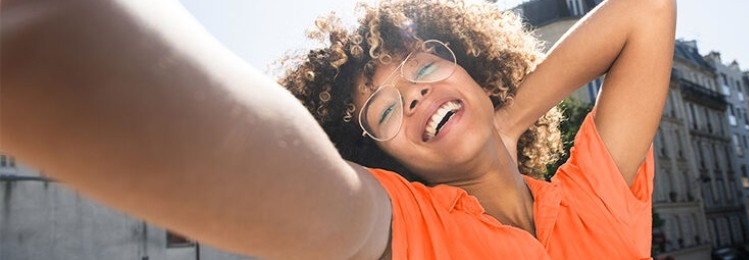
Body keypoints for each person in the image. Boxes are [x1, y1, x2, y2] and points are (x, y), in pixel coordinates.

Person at [1, 0, 675, 259]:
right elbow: (269, 167)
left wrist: (511, 120)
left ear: (473, 70)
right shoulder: (407, 226)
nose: (413, 97)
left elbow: (646, 11)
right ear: (380, 158)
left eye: (422, 66)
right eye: (382, 111)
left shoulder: (589, 198)